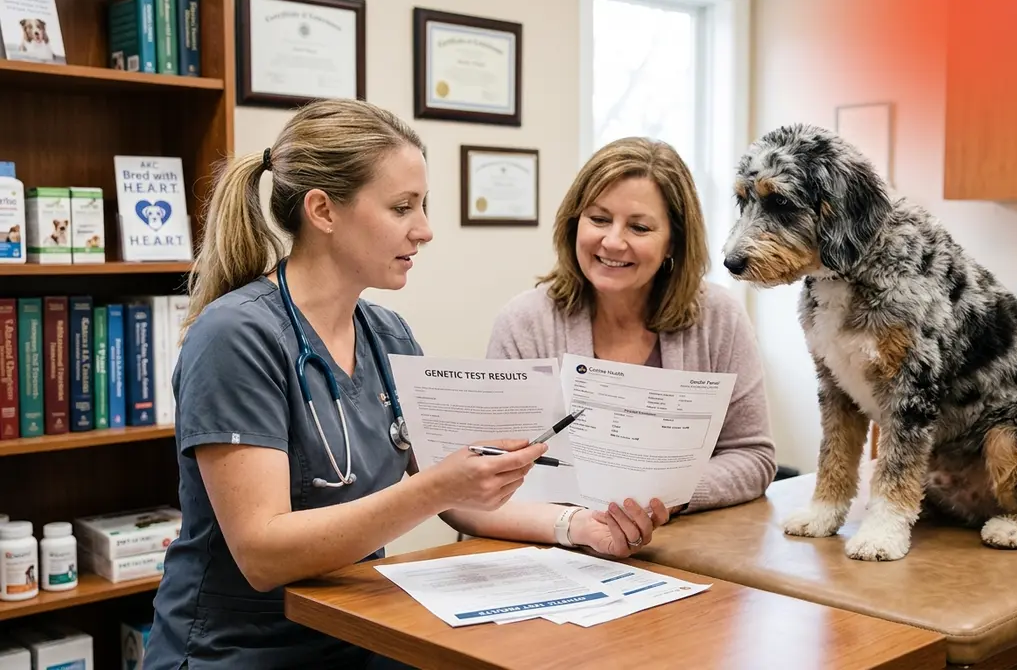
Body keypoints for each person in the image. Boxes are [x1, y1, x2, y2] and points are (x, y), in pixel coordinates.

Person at [143, 100, 651, 670]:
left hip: (361, 631)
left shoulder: (387, 335)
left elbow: (462, 501)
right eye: (402, 207)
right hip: (238, 652)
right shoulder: (235, 336)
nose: (426, 229)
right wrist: (437, 486)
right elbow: (263, 552)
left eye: (423, 205)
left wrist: (579, 527)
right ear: (323, 211)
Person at [477, 136, 777, 547]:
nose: (614, 242)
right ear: (574, 222)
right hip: (542, 549)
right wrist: (576, 522)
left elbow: (753, 457)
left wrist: (663, 498)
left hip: (672, 551)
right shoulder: (525, 322)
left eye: (639, 227)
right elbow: (490, 472)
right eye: (599, 219)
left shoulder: (718, 318)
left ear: (673, 240)